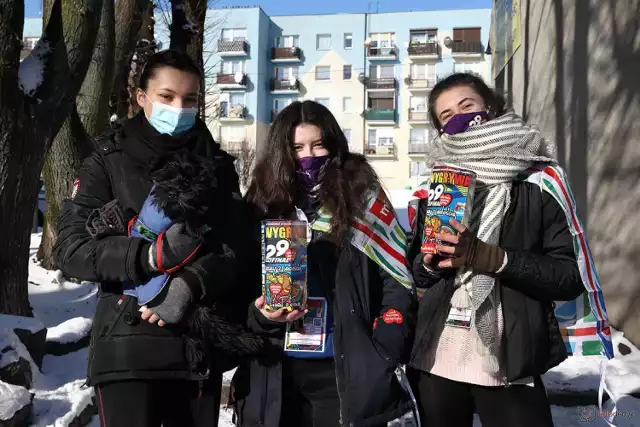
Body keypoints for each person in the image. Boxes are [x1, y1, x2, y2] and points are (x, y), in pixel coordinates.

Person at [54, 50, 260, 427]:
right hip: (126, 345)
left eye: (190, 99)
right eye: (166, 97)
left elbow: (237, 247)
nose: (179, 108)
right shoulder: (107, 160)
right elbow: (71, 248)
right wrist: (149, 257)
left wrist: (188, 285)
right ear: (141, 97)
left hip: (197, 346)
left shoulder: (217, 164)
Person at [406, 72, 599, 427]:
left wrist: (490, 257)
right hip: (436, 355)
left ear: (491, 107)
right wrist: (431, 264)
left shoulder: (539, 181)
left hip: (508, 358)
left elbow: (569, 277)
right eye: (447, 116)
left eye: (467, 106)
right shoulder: (435, 184)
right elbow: (415, 270)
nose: (460, 118)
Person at [231, 100, 418, 427]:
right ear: (281, 152)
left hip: (344, 370)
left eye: (318, 145)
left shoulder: (363, 198)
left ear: (333, 145)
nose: (309, 156)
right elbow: (238, 286)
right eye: (297, 147)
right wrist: (261, 317)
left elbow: (396, 276)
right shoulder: (262, 204)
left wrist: (386, 344)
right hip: (277, 370)